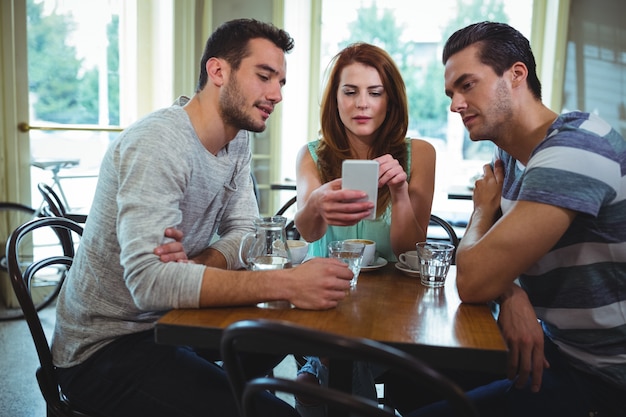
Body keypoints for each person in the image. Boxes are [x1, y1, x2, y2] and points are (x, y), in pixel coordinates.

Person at [51, 18, 355, 417]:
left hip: (173, 321)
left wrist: (195, 266)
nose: (276, 94)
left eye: (281, 82)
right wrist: (287, 284)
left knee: (282, 333)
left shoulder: (237, 137)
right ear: (218, 71)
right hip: (106, 348)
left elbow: (245, 230)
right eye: (265, 76)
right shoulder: (159, 142)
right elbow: (149, 284)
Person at [404, 21, 626, 417]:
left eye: (467, 85)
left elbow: (472, 279)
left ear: (517, 75)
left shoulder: (578, 148)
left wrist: (480, 212)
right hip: (556, 347)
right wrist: (512, 292)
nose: (454, 104)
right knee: (409, 377)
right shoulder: (510, 158)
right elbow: (495, 266)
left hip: (605, 377)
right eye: (451, 93)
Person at [292, 42, 436, 416]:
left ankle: (315, 371)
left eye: (375, 92)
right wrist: (319, 202)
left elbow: (409, 251)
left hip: (394, 306)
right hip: (326, 301)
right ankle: (320, 368)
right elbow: (307, 232)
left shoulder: (418, 153)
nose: (362, 104)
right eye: (350, 91)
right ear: (334, 99)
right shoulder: (312, 155)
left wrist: (401, 192)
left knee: (343, 356)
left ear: (390, 101)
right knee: (345, 349)